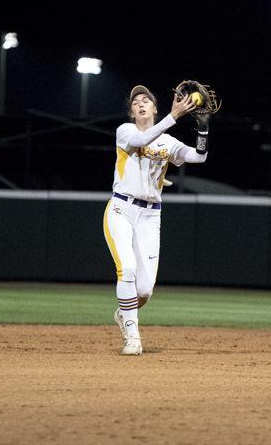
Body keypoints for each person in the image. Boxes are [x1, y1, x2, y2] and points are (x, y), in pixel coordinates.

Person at [103, 85, 207, 355]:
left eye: (146, 100)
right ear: (132, 111)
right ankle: (133, 338)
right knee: (127, 269)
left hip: (150, 215)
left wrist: (203, 129)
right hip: (121, 209)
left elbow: (198, 156)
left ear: (154, 108)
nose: (140, 103)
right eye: (135, 101)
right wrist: (173, 115)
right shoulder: (125, 132)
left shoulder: (168, 142)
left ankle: (123, 313)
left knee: (145, 290)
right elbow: (142, 140)